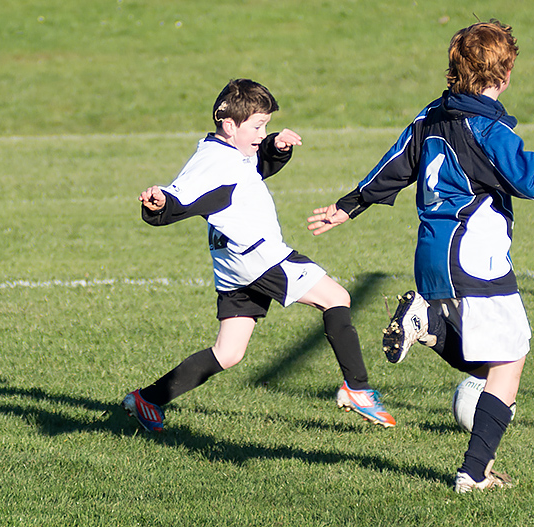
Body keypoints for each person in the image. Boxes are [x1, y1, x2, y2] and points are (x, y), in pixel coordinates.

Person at [307, 20, 534, 492]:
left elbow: (394, 164)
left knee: (488, 361)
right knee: (510, 359)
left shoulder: (431, 115)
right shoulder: (488, 127)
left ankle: (432, 328)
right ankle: (473, 473)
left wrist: (349, 205)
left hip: (431, 255)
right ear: (504, 73)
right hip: (474, 255)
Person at [122, 78, 395, 432]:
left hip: (233, 266)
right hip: (258, 258)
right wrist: (159, 202)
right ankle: (357, 388)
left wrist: (276, 148)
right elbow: (179, 196)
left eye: (265, 125)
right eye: (257, 126)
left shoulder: (234, 151)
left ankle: (148, 400)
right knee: (336, 297)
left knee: (229, 352)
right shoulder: (213, 162)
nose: (262, 133)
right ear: (229, 124)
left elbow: (252, 170)